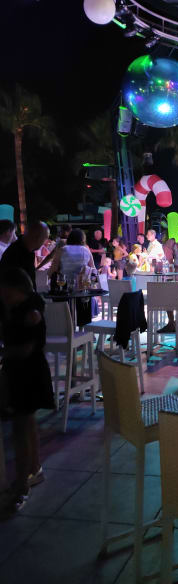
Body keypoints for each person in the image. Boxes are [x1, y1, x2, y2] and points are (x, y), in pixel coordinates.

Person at [0, 268, 54, 518]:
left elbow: (25, 348)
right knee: (26, 422)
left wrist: (4, 353)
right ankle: (34, 469)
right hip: (30, 371)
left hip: (26, 373)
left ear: (17, 290)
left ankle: (21, 484)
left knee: (20, 428)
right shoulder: (26, 307)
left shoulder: (29, 311)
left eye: (6, 292)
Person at [0, 221, 49, 289]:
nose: (44, 243)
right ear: (37, 238)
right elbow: (20, 289)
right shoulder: (16, 255)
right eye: (45, 239)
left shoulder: (24, 249)